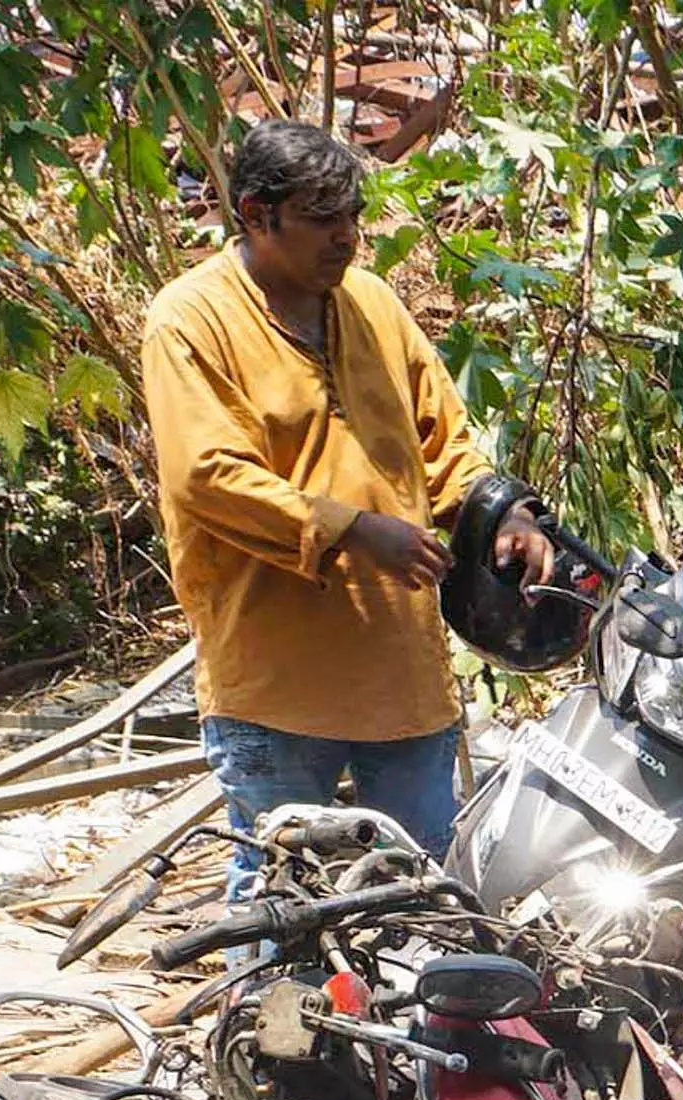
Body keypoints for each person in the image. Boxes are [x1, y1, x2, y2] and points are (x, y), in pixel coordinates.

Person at [138, 117, 550, 897]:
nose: (347, 237)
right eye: (323, 219)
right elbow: (205, 474)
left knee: (426, 883)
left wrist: (507, 516)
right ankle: (263, 1022)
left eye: (352, 217)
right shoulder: (190, 320)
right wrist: (351, 531)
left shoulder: (371, 304)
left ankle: (421, 1025)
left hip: (400, 670)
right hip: (277, 676)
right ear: (257, 215)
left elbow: (444, 438)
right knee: (281, 898)